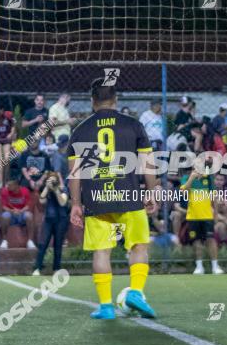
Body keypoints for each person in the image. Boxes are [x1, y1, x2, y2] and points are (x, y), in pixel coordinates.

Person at [67, 77, 158, 320]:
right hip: (128, 195)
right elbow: (147, 164)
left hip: (97, 198)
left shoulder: (80, 130)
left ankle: (106, 306)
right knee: (139, 245)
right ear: (116, 100)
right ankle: (136, 292)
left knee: (102, 251)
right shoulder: (133, 125)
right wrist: (151, 192)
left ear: (92, 100)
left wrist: (76, 204)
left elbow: (74, 174)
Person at [181, 159, 224, 275]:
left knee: (211, 240)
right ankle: (199, 266)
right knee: (196, 241)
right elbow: (184, 192)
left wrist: (215, 215)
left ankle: (215, 266)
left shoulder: (208, 178)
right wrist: (191, 178)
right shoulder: (186, 178)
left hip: (207, 216)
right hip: (192, 217)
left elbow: (214, 198)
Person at [32, 174, 69, 276]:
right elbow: (41, 200)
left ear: (57, 181)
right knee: (42, 244)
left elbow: (62, 202)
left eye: (53, 180)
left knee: (58, 245)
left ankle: (56, 269)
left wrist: (56, 190)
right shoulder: (46, 190)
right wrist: (47, 188)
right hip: (48, 220)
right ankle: (37, 268)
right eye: (49, 180)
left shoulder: (63, 189)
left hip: (61, 220)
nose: (51, 182)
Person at [0, 178, 36, 250]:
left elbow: (28, 205)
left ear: (16, 185)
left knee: (29, 215)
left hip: (22, 214)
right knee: (4, 216)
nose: (7, 186)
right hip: (11, 214)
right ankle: (4, 241)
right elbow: (3, 207)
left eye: (10, 185)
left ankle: (30, 241)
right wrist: (12, 211)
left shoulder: (25, 191)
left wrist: (20, 211)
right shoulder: (4, 191)